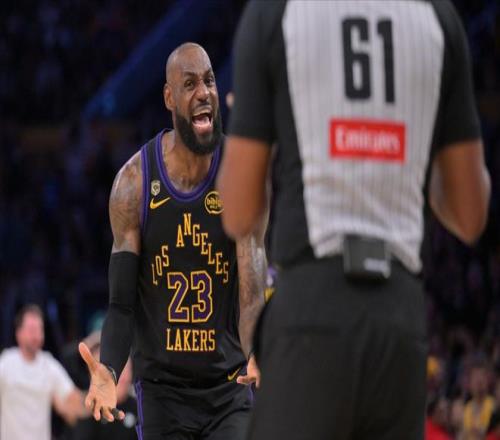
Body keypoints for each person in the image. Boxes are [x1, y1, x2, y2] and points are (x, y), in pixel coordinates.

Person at [217, 1, 490, 439]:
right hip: (400, 320)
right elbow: (470, 214)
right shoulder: (440, 19)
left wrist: (260, 130)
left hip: (311, 309)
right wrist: (405, 158)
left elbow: (238, 212)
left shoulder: (274, 14)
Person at [78, 42, 267, 440]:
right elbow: (121, 304)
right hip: (162, 391)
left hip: (228, 387)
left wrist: (257, 351)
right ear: (169, 97)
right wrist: (109, 368)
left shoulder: (240, 175)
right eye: (190, 83)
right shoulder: (133, 184)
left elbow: (251, 294)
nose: (204, 92)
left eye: (210, 81)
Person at [0, 304, 85, 440]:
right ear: (18, 333)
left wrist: (99, 396)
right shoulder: (6, 363)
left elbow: (71, 400)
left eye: (39, 329)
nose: (36, 334)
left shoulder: (49, 365)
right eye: (31, 329)